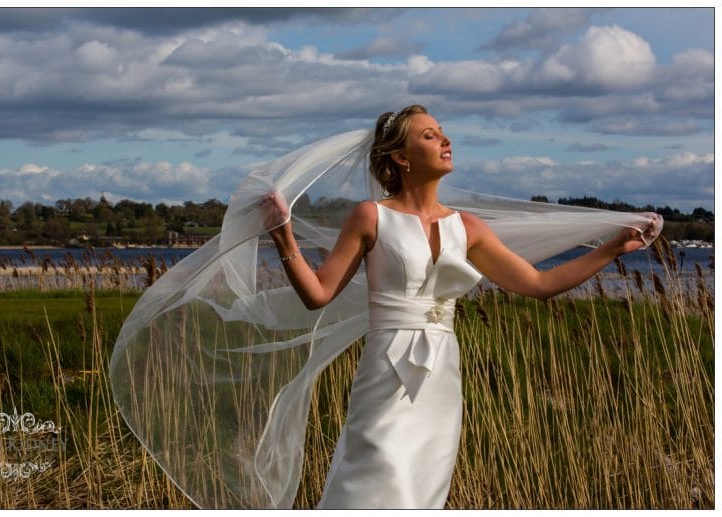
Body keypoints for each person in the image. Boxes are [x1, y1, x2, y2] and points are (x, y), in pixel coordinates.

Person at [261, 104, 660, 509]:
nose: (445, 140)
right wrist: (283, 238)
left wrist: (612, 249)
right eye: (429, 135)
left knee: (422, 490)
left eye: (442, 132)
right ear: (401, 158)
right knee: (370, 476)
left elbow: (539, 285)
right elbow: (318, 295)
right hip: (387, 368)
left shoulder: (466, 227)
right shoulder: (370, 217)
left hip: (442, 376)